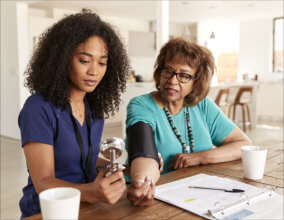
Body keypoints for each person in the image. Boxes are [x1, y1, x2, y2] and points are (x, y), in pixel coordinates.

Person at [18, 10, 130, 218]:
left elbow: (83, 158)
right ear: (62, 59)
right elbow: (43, 182)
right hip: (46, 212)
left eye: (102, 62)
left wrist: (125, 167)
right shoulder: (38, 108)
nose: (94, 71)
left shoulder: (95, 109)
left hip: (86, 209)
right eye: (84, 60)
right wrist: (91, 192)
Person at [126, 37, 252, 206]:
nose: (172, 80)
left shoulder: (203, 105)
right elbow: (143, 153)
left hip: (198, 194)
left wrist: (199, 157)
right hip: (156, 196)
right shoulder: (141, 105)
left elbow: (243, 144)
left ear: (196, 82)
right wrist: (142, 182)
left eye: (184, 75)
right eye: (168, 71)